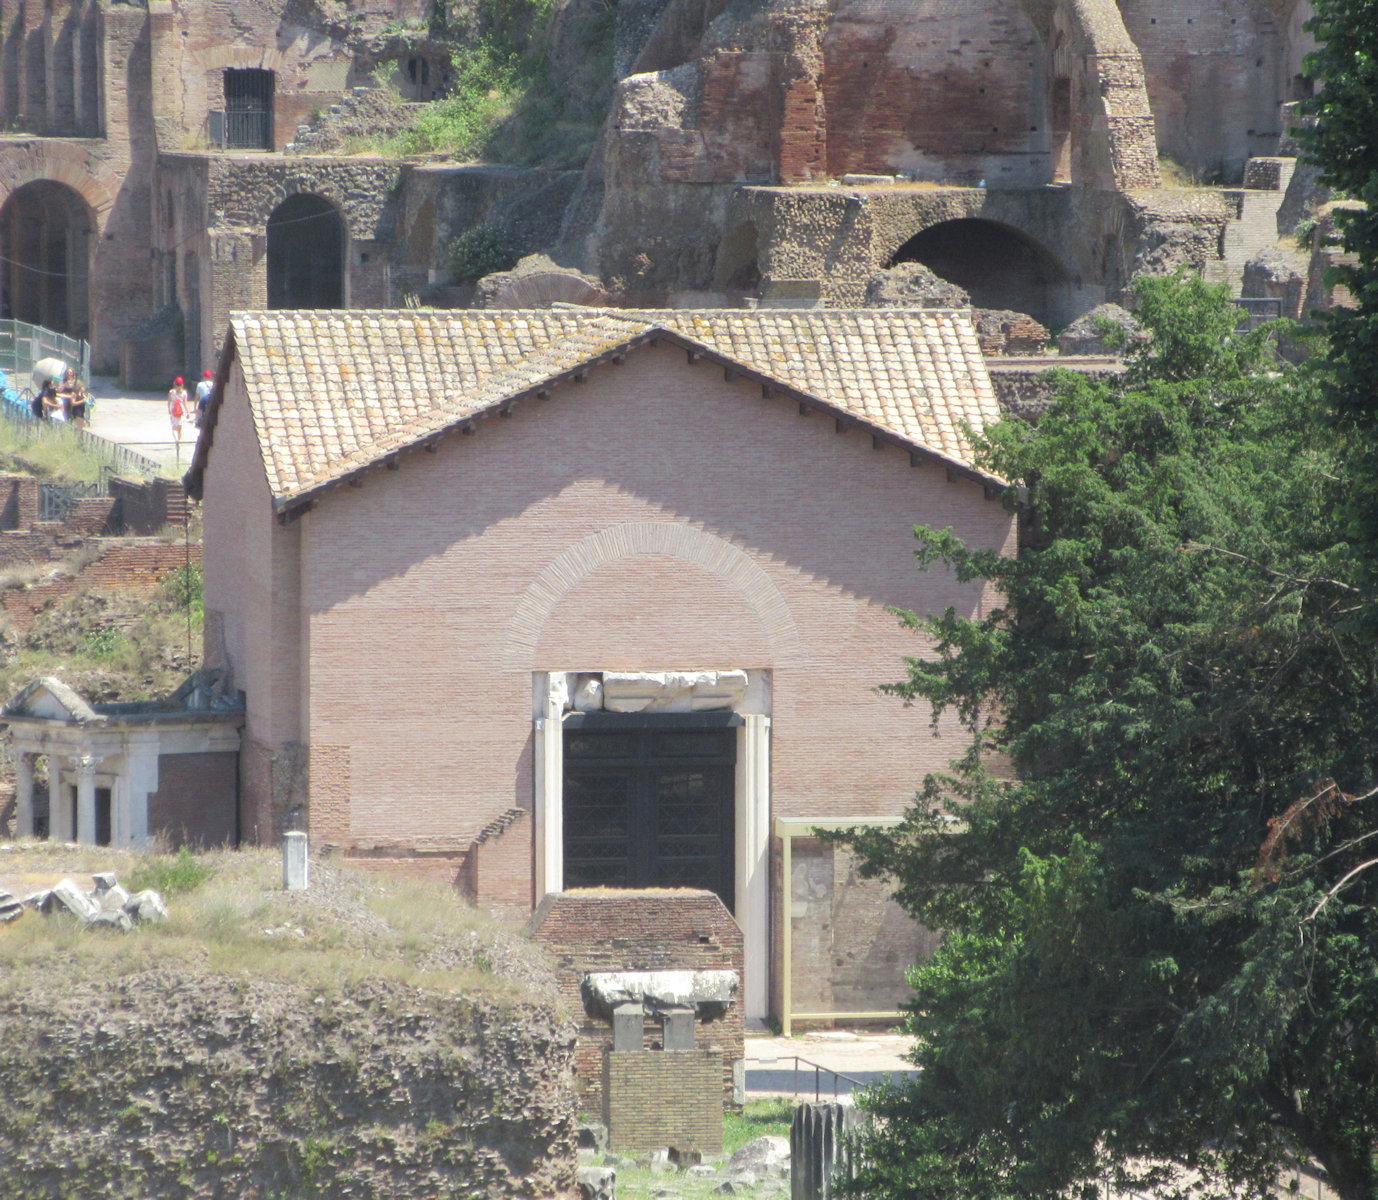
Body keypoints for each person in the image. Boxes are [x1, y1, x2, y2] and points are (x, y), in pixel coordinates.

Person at [168, 375, 189, 444]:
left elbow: (169, 402)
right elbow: (185, 404)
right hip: (181, 411)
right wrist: (188, 412)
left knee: (174, 428)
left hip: (174, 411)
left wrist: (169, 410)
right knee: (180, 429)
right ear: (182, 384)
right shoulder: (184, 393)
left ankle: (176, 440)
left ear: (174, 384)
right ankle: (179, 442)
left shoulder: (171, 392)